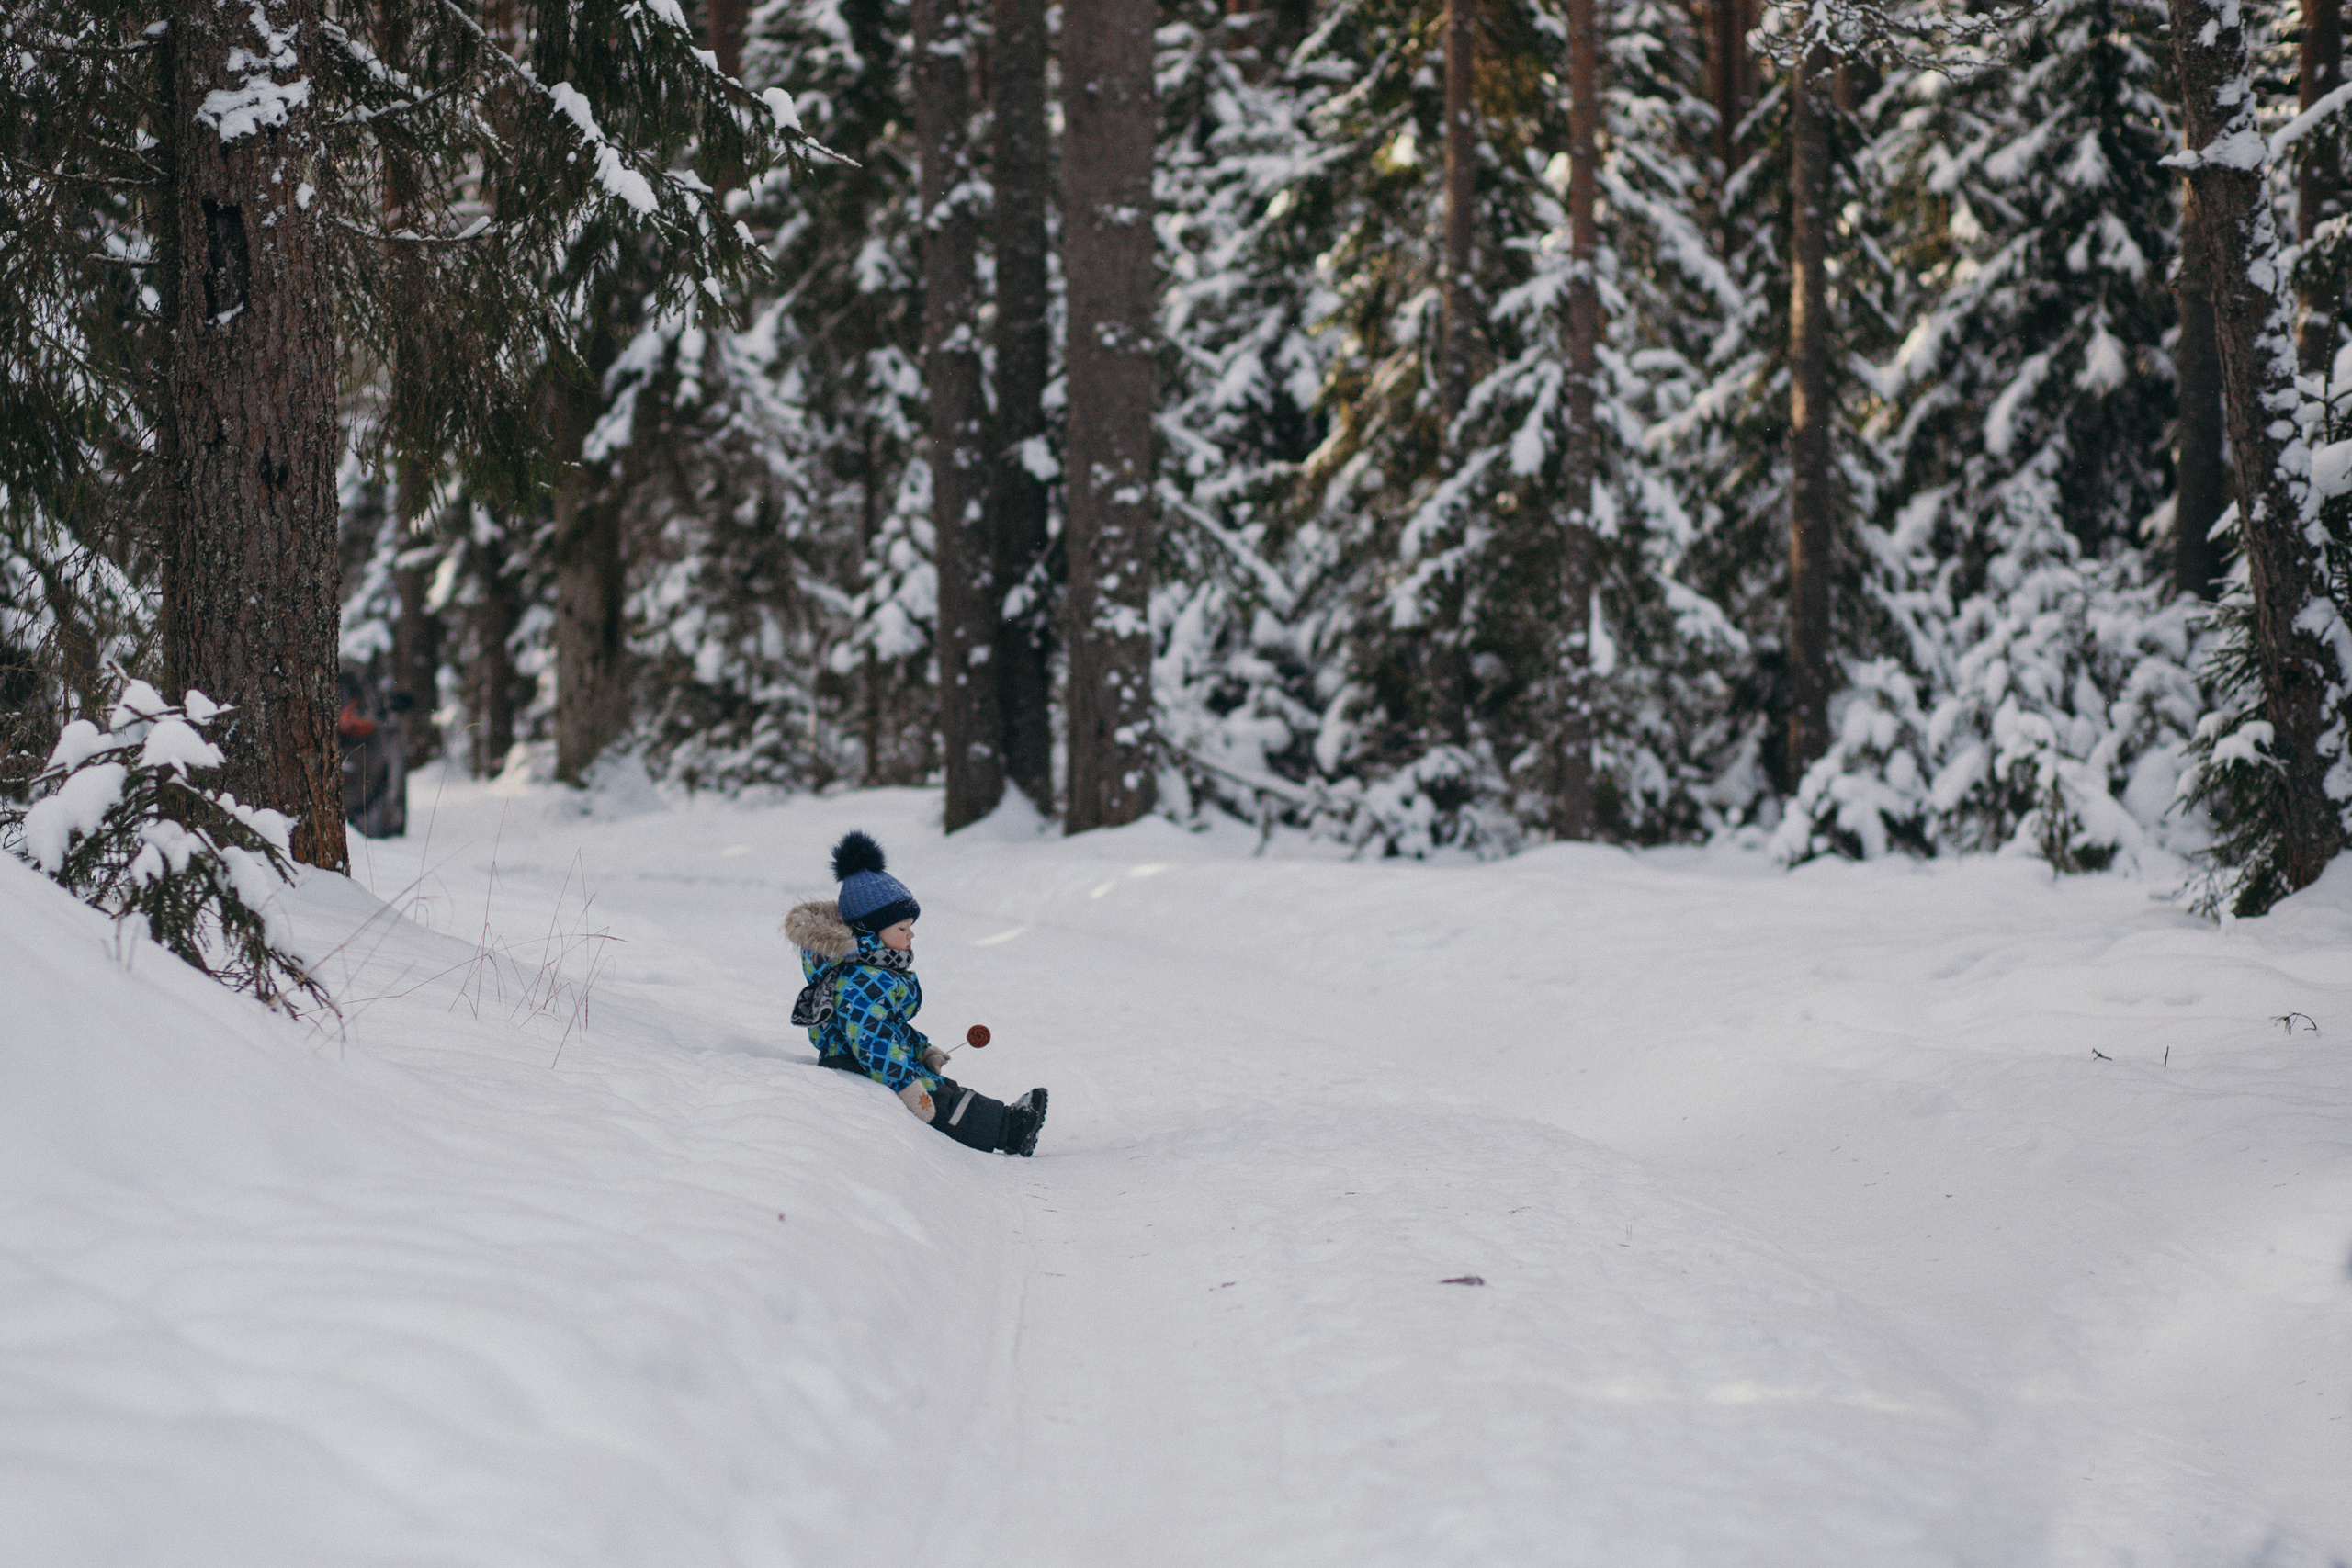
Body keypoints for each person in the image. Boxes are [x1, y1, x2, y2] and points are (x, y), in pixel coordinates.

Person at [785, 829, 1047, 1156]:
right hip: (856, 1066)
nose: (911, 935)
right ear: (870, 931)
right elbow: (871, 1039)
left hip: (878, 1063)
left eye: (910, 926)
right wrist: (905, 1085)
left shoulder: (872, 969)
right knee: (939, 1098)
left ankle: (1006, 1120)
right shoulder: (858, 980)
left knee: (942, 1087)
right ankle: (1009, 1130)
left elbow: (888, 1026)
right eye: (901, 928)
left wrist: (921, 1051)